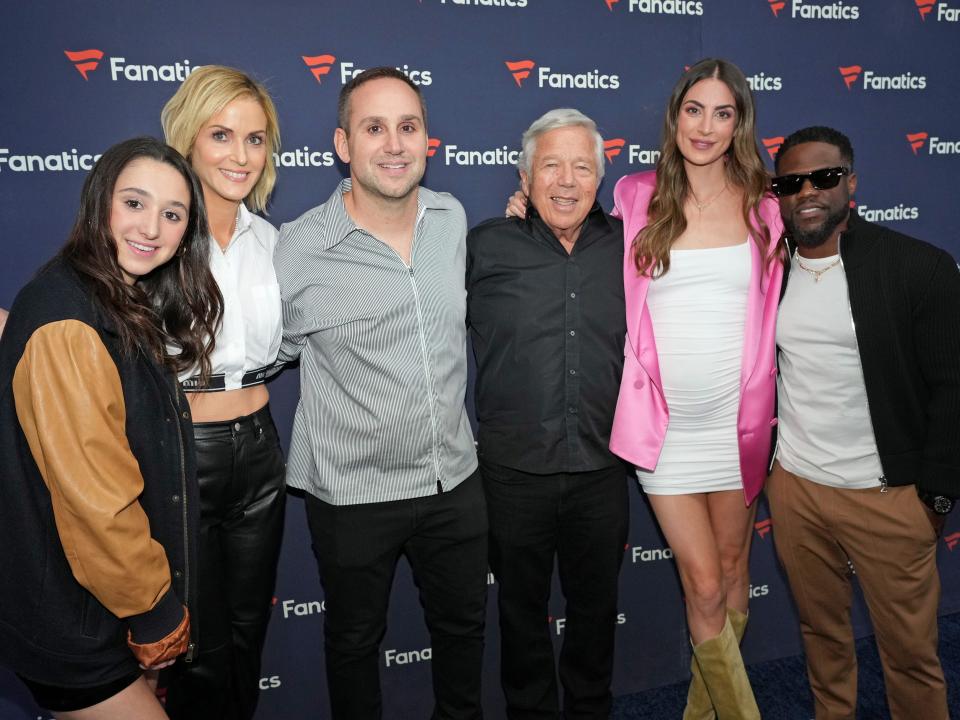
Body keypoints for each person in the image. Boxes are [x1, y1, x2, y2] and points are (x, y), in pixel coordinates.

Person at [274, 67, 487, 720]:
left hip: (453, 481)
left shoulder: (452, 219)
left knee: (463, 638)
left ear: (428, 140)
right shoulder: (298, 249)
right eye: (374, 128)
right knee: (354, 645)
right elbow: (264, 351)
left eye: (408, 126)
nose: (393, 144)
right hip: (352, 498)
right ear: (343, 144)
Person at [0, 136, 222, 719]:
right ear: (100, 203)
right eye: (134, 203)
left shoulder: (112, 299)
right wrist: (156, 616)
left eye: (172, 214)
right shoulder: (70, 321)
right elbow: (98, 505)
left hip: (94, 613)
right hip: (77, 626)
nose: (152, 227)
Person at [766, 125, 960, 720]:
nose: (807, 193)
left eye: (823, 178)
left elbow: (953, 386)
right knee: (822, 640)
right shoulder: (770, 269)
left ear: (851, 183)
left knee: (909, 658)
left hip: (888, 497)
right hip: (797, 491)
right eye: (791, 182)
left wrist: (935, 500)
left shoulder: (917, 267)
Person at [609, 58, 782, 720]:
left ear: (739, 124)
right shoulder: (634, 195)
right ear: (675, 116)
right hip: (666, 432)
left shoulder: (766, 205)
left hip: (740, 425)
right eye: (694, 110)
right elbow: (575, 232)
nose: (705, 127)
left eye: (722, 113)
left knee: (734, 572)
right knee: (704, 582)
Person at [468, 108, 628, 719]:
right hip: (511, 475)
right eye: (551, 165)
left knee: (595, 616)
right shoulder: (484, 245)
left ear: (599, 178)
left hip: (602, 469)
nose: (566, 180)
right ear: (525, 175)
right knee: (520, 615)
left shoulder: (631, 245)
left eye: (581, 166)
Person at [158, 65, 287, 720]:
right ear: (190, 140)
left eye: (255, 139)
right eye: (222, 135)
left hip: (262, 452)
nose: (240, 155)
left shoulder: (274, 241)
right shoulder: (156, 236)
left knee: (246, 633)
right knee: (195, 644)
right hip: (184, 450)